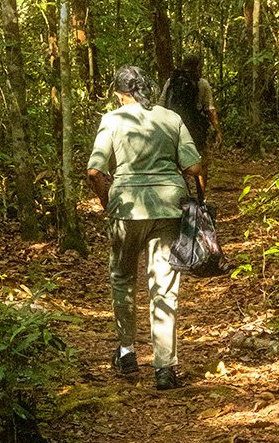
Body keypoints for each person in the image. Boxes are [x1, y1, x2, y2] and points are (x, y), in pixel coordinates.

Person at [87, 65, 202, 391]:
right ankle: (164, 369)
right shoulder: (170, 118)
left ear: (119, 94)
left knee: (122, 278)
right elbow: (194, 166)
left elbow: (95, 171)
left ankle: (126, 353)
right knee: (163, 287)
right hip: (168, 208)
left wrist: (107, 201)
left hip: (126, 208)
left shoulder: (112, 120)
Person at [160, 54, 222, 189]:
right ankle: (201, 197)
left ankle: (183, 193)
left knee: (175, 163)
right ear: (198, 66)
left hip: (172, 128)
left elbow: (161, 104)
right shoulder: (202, 83)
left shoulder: (171, 82)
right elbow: (210, 109)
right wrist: (217, 130)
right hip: (195, 129)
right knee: (202, 162)